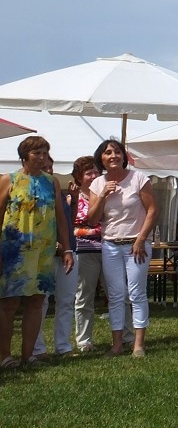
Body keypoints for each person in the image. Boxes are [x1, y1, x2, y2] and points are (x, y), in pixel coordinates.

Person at [0, 137, 73, 368]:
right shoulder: (8, 180)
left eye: (45, 153)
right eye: (37, 153)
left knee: (36, 300)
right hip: (14, 250)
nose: (42, 158)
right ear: (25, 155)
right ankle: (4, 356)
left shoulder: (51, 182)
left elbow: (61, 218)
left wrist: (66, 247)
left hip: (43, 250)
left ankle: (28, 355)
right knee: (9, 303)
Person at [87, 139, 157, 357]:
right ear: (101, 158)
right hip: (110, 245)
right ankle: (117, 344)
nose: (113, 156)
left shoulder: (138, 178)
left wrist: (141, 238)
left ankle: (138, 345)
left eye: (117, 152)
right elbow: (92, 219)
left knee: (137, 293)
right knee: (116, 295)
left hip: (137, 245)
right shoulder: (97, 184)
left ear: (123, 156)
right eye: (108, 153)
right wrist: (102, 196)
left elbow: (153, 211)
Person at [34, 154, 78, 359]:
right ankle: (38, 348)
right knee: (40, 302)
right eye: (44, 168)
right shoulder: (34, 194)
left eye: (51, 167)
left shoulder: (60, 194)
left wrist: (74, 200)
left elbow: (68, 222)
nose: (49, 171)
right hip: (45, 255)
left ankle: (63, 346)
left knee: (67, 300)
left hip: (68, 252)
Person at [70, 155, 103, 352]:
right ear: (79, 177)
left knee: (117, 294)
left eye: (96, 172)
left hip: (108, 249)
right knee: (84, 296)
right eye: (88, 173)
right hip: (84, 252)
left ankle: (126, 335)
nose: (93, 176)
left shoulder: (106, 195)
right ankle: (84, 341)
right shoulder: (72, 198)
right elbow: (71, 225)